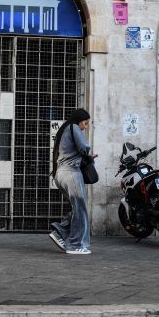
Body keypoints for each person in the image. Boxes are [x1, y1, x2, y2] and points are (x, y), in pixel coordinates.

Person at [49, 108, 94, 255]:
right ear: (79, 120)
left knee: (78, 209)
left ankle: (59, 232)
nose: (85, 127)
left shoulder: (64, 129)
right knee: (81, 209)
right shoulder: (74, 127)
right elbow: (84, 148)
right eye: (85, 123)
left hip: (60, 174)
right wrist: (89, 153)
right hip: (72, 173)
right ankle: (75, 245)